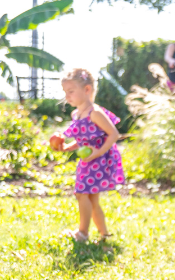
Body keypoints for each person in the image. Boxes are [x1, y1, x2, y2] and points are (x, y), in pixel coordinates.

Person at [51, 68, 124, 242]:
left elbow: (114, 134)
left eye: (71, 91)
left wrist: (98, 152)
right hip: (88, 159)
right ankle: (104, 234)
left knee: (82, 193)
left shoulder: (95, 113)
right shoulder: (76, 114)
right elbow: (84, 139)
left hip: (99, 159)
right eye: (65, 92)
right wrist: (66, 147)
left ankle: (82, 233)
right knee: (91, 198)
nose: (67, 96)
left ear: (87, 90)